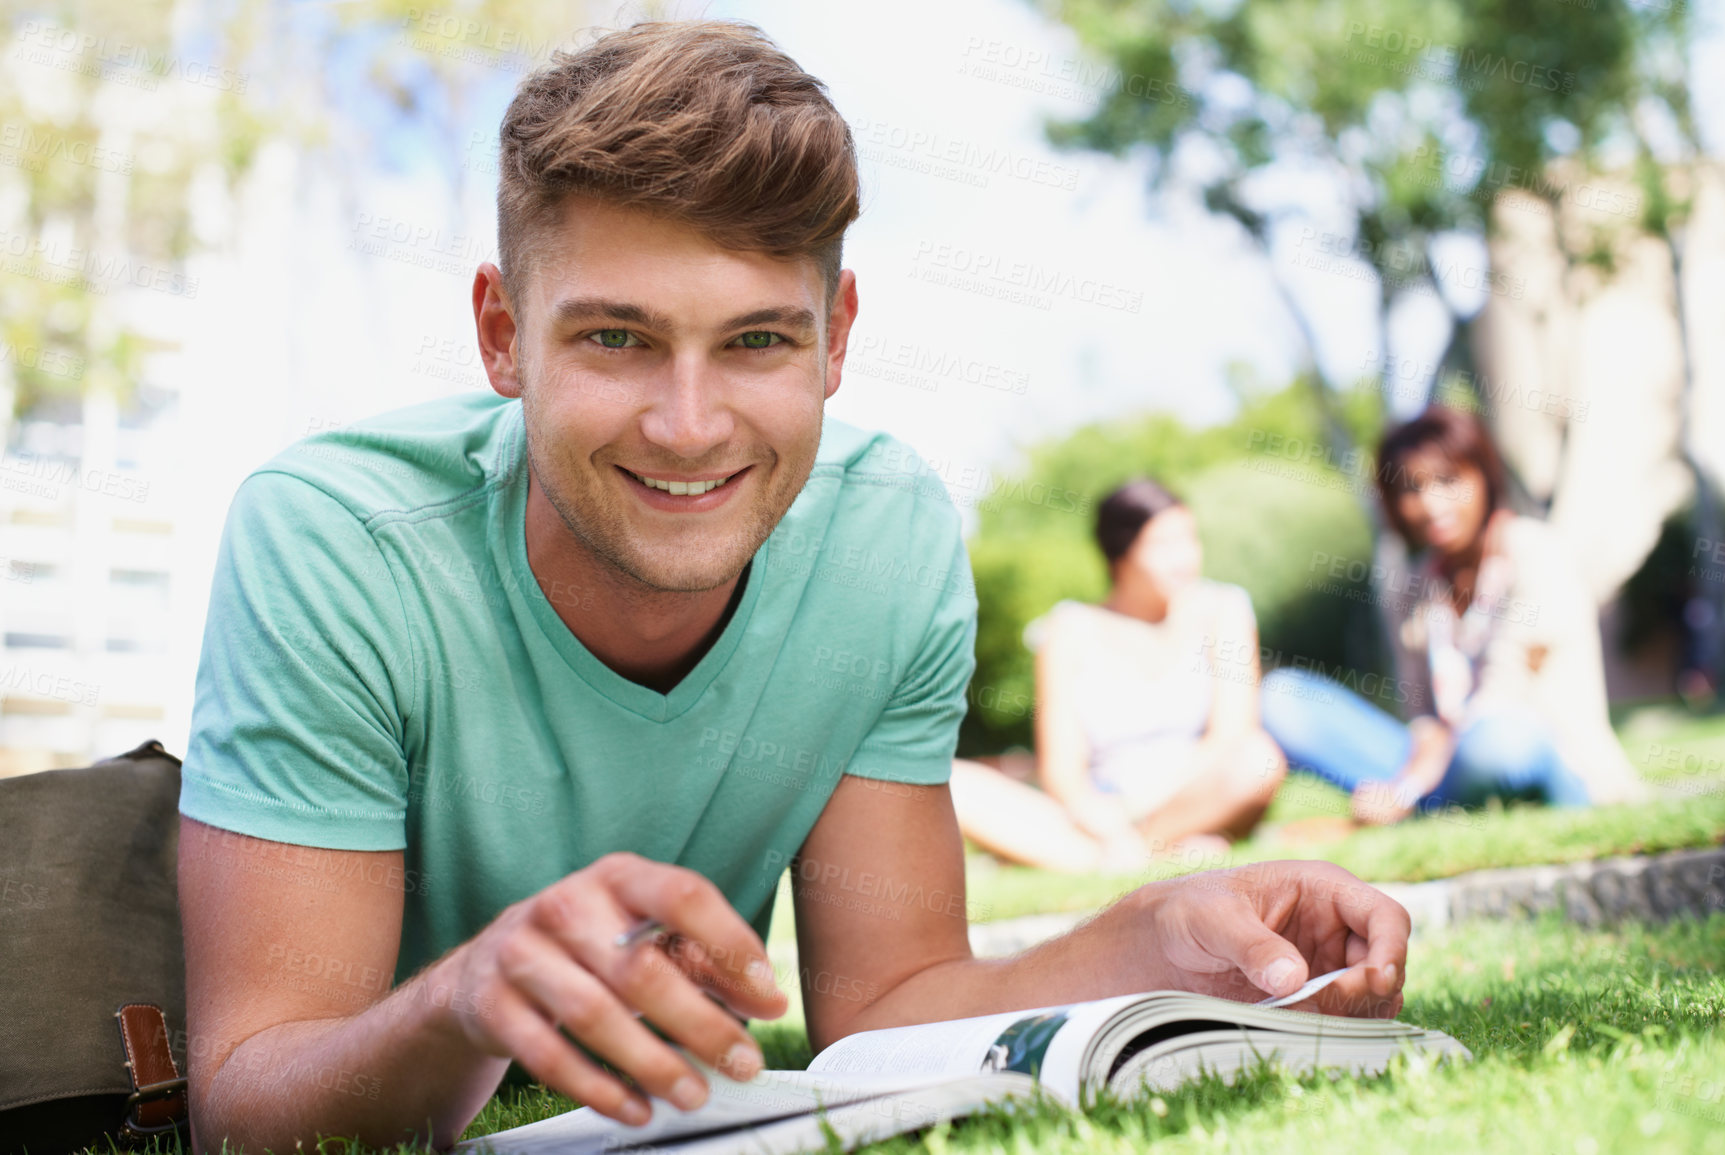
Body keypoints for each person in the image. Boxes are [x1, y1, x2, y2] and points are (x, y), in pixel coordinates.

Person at [175, 21, 1412, 1152]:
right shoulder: (334, 543)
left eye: (758, 340)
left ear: (837, 337)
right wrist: (467, 1000)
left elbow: (888, 1004)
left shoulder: (886, 540)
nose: (688, 424)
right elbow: (247, 1097)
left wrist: (1154, 937)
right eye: (617, 338)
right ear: (503, 334)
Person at [1260, 404, 1648, 825]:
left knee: (1495, 743)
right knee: (1280, 697)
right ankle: (1425, 807)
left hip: (1536, 757)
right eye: (1410, 488)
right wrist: (1410, 775)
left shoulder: (1536, 553)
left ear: (1484, 476)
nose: (1429, 504)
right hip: (1443, 772)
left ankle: (1415, 807)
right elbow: (1422, 713)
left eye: (1448, 480)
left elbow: (1505, 692)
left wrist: (1408, 786)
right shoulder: (1410, 586)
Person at [951, 479, 1287, 872]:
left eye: (1190, 539)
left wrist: (1144, 808)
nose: (1185, 558)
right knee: (952, 781)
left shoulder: (1223, 608)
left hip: (1194, 793)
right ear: (1120, 553)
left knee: (1258, 759)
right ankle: (1144, 852)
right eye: (1163, 545)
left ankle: (1129, 852)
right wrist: (1103, 820)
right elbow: (1061, 769)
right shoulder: (1068, 628)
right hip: (1101, 806)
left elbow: (1232, 735)